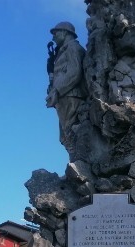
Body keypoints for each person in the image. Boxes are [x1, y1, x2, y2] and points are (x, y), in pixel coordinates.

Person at [45, 21, 88, 151]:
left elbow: (74, 72)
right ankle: (76, 162)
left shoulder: (73, 48)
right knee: (65, 136)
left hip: (71, 96)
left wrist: (57, 90)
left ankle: (80, 163)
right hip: (64, 96)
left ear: (65, 32)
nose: (53, 37)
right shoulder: (63, 51)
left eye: (56, 33)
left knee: (71, 132)